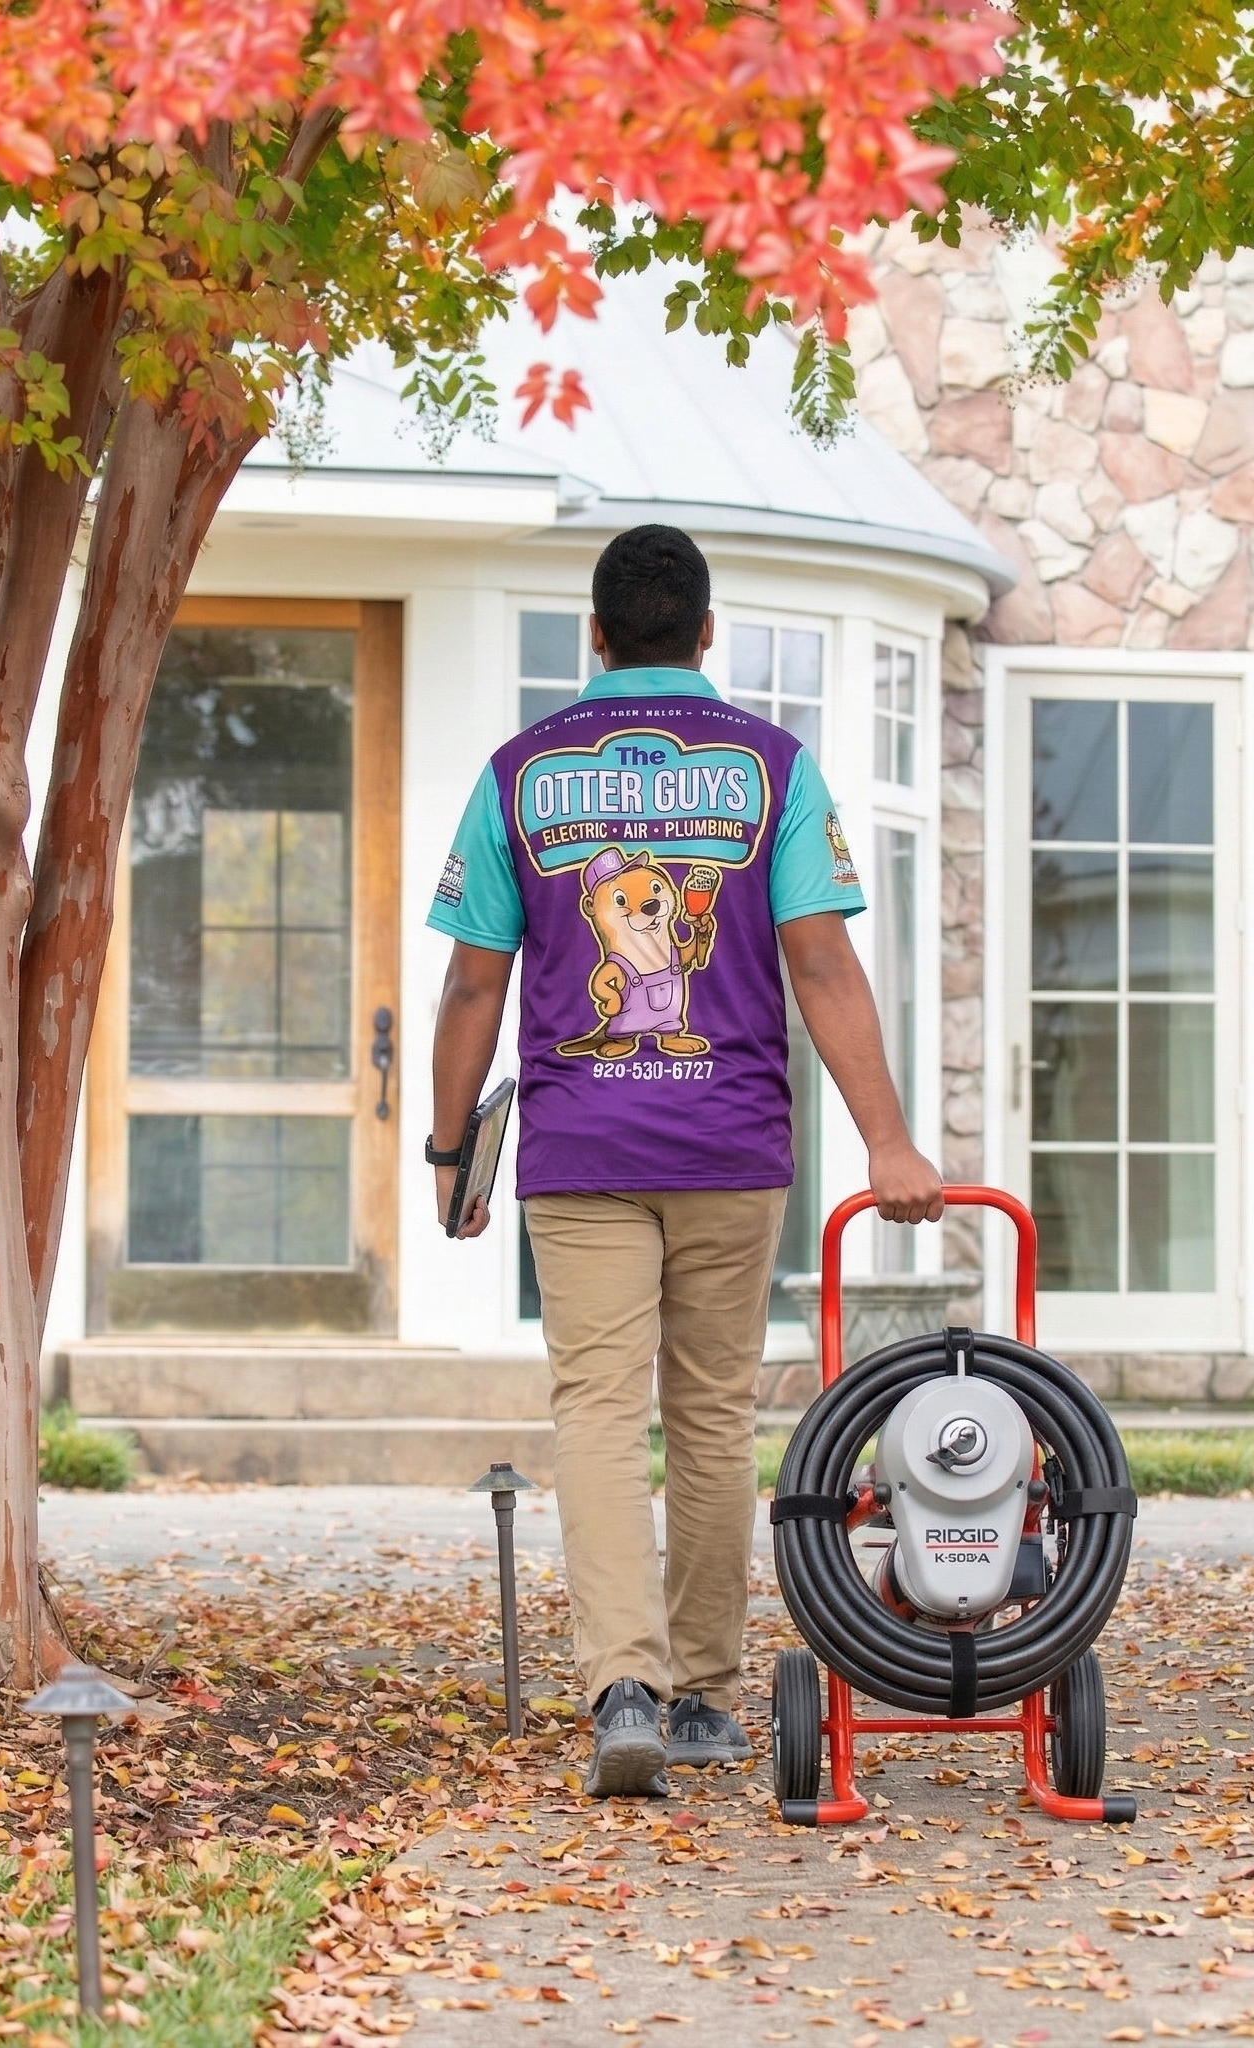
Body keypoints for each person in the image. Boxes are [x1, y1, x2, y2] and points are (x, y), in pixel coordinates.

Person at [426, 525, 945, 1797]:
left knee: (598, 1411)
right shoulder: (772, 768)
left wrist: (451, 1150)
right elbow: (822, 964)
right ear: (705, 634)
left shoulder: (518, 774)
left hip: (579, 1145)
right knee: (711, 1411)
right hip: (729, 1139)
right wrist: (885, 1137)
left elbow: (469, 982)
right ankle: (707, 1691)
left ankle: (622, 1687)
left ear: (592, 636)